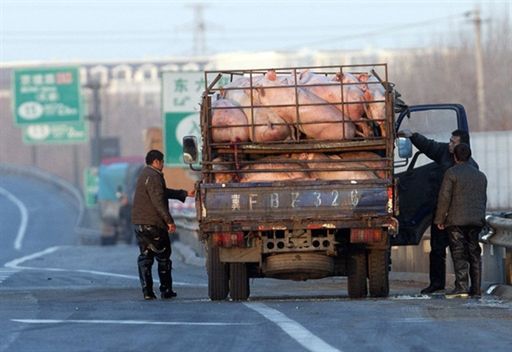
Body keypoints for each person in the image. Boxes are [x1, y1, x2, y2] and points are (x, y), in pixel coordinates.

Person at [399, 129, 478, 294]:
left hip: (458, 215)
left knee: (462, 252)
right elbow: (428, 145)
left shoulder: (468, 168)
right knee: (438, 249)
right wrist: (413, 135)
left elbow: (466, 196)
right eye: (450, 141)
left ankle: (466, 286)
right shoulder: (444, 153)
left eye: (453, 142)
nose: (450, 145)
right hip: (446, 213)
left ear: (462, 145)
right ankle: (438, 283)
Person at [131, 149, 194, 300]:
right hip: (153, 224)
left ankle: (147, 292)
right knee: (163, 257)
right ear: (156, 162)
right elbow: (158, 201)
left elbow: (162, 192)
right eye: (162, 162)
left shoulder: (144, 175)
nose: (163, 165)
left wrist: (183, 194)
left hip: (139, 224)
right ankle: (166, 290)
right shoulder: (154, 176)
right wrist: (169, 221)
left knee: (145, 257)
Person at [434, 143, 487, 298]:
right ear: (469, 156)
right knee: (475, 253)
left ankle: (462, 287)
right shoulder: (480, 175)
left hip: (456, 221)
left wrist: (440, 218)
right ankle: (476, 289)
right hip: (476, 221)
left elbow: (444, 197)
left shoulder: (451, 173)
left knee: (459, 253)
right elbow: (483, 199)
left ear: (455, 157)